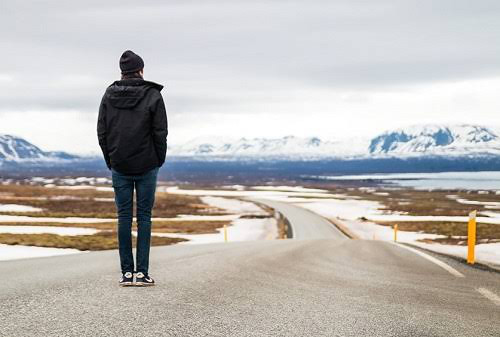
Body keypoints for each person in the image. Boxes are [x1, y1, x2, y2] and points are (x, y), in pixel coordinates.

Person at [97, 50, 167, 287]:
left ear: (122, 72)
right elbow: (160, 132)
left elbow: (102, 132)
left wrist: (111, 160)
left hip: (120, 165)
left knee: (124, 217)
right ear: (141, 70)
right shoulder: (153, 95)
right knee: (144, 218)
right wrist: (159, 159)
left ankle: (126, 273)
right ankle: (142, 274)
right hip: (147, 165)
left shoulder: (108, 95)